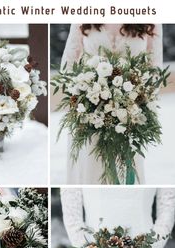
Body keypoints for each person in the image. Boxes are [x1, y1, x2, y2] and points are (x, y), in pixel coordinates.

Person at [61, 24, 163, 184]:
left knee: (128, 172)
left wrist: (142, 101)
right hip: (90, 112)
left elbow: (154, 67)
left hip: (131, 113)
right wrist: (77, 97)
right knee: (91, 169)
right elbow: (69, 62)